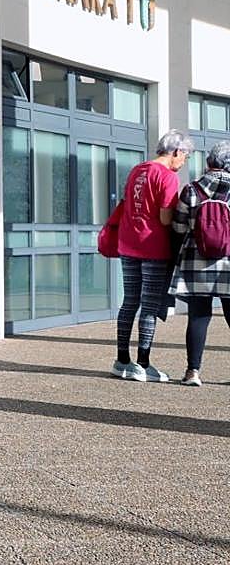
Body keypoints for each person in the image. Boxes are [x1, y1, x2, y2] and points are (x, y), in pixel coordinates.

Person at [112, 130, 193, 382]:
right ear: (177, 152)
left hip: (128, 243)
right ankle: (144, 363)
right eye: (185, 156)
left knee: (129, 302)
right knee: (148, 306)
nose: (184, 162)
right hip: (153, 246)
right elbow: (165, 218)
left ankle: (122, 360)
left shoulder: (138, 169)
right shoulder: (167, 177)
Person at [170, 140, 230, 386]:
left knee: (198, 316)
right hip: (228, 262)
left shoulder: (192, 189)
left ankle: (193, 372)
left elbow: (178, 226)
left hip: (197, 262)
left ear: (209, 162)